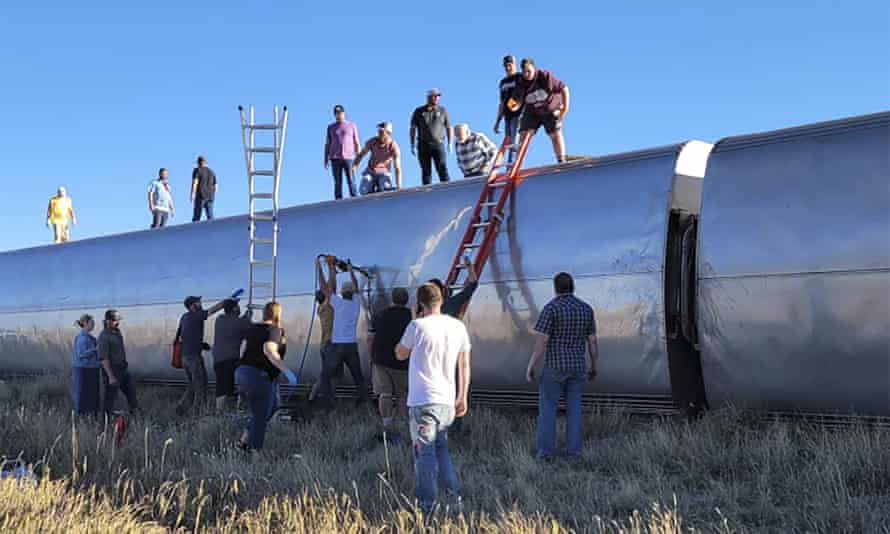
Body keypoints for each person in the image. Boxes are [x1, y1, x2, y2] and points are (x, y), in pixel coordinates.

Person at [396, 283, 471, 511]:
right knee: (441, 449)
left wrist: (412, 318)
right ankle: (453, 497)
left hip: (423, 402)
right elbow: (465, 364)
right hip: (447, 402)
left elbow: (400, 354)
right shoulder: (458, 327)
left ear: (420, 303)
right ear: (441, 299)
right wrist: (463, 396)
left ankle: (427, 508)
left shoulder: (416, 326)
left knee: (424, 455)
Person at [525, 272, 598, 460]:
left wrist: (531, 365)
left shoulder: (551, 309)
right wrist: (594, 365)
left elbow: (541, 343)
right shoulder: (586, 309)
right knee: (574, 411)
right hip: (577, 366)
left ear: (555, 288)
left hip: (555, 367)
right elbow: (592, 342)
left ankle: (546, 452)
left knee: (548, 410)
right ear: (572, 286)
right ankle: (574, 452)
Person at [235, 302, 297, 450]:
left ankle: (243, 442)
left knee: (270, 408)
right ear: (277, 314)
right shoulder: (275, 330)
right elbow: (269, 350)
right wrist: (286, 371)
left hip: (243, 372)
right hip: (258, 375)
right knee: (261, 417)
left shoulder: (252, 328)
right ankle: (255, 455)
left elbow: (242, 349)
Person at [174, 292, 240, 416]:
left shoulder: (185, 317)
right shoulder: (196, 315)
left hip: (185, 357)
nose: (201, 304)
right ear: (193, 305)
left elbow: (185, 335)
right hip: (194, 358)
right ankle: (197, 414)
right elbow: (212, 311)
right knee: (201, 387)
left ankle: (181, 408)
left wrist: (201, 344)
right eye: (199, 302)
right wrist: (227, 301)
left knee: (192, 385)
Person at [318, 258, 369, 408]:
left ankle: (327, 403)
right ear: (352, 293)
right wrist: (351, 271)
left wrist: (322, 268)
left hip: (337, 346)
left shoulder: (337, 302)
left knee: (325, 375)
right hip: (352, 346)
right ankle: (363, 400)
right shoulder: (356, 304)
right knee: (358, 376)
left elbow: (325, 289)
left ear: (342, 292)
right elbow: (357, 287)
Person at [368, 287, 412, 442]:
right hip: (401, 361)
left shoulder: (380, 315)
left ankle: (386, 423)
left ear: (393, 299)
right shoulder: (410, 316)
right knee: (402, 394)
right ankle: (401, 422)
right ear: (406, 300)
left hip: (381, 359)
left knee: (385, 393)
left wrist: (371, 356)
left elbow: (371, 337)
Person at [508, 58, 571, 163]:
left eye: (529, 71)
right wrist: (512, 106)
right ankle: (517, 163)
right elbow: (516, 101)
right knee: (524, 134)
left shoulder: (544, 76)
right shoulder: (521, 83)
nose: (527, 74)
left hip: (550, 108)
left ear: (534, 69)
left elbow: (564, 88)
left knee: (554, 133)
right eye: (524, 72)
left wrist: (565, 107)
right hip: (532, 111)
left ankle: (561, 159)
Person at [211, 299, 250, 412]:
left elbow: (235, 326)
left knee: (222, 386)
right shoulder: (240, 322)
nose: (239, 308)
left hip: (218, 358)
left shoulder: (219, 320)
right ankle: (239, 410)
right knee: (241, 384)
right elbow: (248, 330)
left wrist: (245, 318)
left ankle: (219, 412)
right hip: (231, 358)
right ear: (234, 309)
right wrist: (248, 317)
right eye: (238, 306)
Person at [98, 309, 138, 414]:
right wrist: (111, 377)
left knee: (131, 393)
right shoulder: (104, 337)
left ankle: (135, 415)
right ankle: (104, 422)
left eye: (118, 320)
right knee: (109, 399)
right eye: (115, 320)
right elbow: (103, 358)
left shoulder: (116, 332)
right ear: (108, 321)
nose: (118, 322)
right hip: (112, 370)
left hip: (123, 369)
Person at [410, 89, 452, 185]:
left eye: (438, 96)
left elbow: (449, 127)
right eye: (435, 96)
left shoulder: (443, 110)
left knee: (442, 168)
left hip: (438, 144)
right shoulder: (419, 111)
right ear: (429, 97)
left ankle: (447, 189)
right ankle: (427, 192)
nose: (437, 98)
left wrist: (449, 143)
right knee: (426, 171)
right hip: (423, 145)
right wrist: (412, 144)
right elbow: (413, 128)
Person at [352, 122, 402, 195]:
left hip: (384, 172)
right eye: (379, 132)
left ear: (388, 133)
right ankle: (371, 191)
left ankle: (383, 189)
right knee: (363, 189)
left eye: (382, 132)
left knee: (385, 187)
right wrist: (355, 166)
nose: (379, 134)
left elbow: (397, 168)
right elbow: (361, 154)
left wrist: (399, 186)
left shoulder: (393, 146)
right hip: (370, 171)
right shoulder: (372, 141)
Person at [324, 105, 361, 199]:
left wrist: (358, 157)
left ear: (344, 113)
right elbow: (328, 144)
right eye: (336, 113)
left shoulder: (351, 125)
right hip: (335, 157)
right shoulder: (330, 127)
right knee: (337, 181)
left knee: (351, 179)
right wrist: (326, 158)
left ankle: (354, 197)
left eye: (340, 113)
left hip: (349, 157)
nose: (338, 115)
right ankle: (338, 200)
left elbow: (356, 142)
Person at [494, 55, 522, 163]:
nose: (507, 68)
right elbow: (501, 102)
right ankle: (509, 164)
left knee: (514, 140)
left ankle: (511, 164)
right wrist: (497, 121)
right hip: (507, 115)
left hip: (518, 113)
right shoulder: (503, 82)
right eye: (505, 66)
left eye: (510, 65)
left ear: (514, 65)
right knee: (508, 141)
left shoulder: (519, 77)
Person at [72, 314, 101, 415]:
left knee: (90, 394)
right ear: (85, 323)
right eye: (91, 323)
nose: (93, 325)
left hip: (91, 369)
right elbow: (81, 354)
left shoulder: (90, 337)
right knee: (83, 393)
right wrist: (95, 350)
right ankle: (82, 414)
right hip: (84, 369)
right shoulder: (82, 338)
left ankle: (91, 413)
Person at [190, 156, 217, 222]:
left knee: (197, 216)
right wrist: (213, 195)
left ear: (198, 163)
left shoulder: (197, 170)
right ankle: (212, 229)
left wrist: (192, 194)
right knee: (210, 216)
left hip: (201, 195)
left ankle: (193, 231)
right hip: (210, 196)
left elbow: (195, 183)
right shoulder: (211, 172)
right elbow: (216, 186)